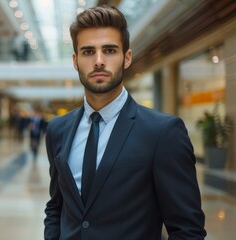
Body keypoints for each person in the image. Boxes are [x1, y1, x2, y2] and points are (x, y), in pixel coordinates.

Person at [44, 5, 206, 240]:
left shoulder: (163, 133)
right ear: (75, 60)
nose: (99, 61)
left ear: (127, 58)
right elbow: (57, 206)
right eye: (88, 52)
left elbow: (188, 230)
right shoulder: (58, 130)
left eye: (109, 50)